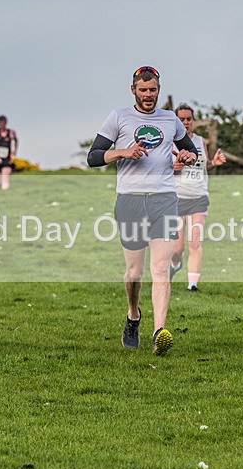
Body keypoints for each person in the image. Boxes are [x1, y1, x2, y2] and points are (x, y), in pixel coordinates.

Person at [87, 66, 198, 356]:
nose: (148, 95)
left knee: (160, 268)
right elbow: (93, 157)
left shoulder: (170, 119)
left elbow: (190, 150)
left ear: (159, 90)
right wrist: (122, 152)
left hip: (164, 199)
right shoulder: (119, 117)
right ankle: (133, 315)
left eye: (153, 90)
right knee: (134, 271)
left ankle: (159, 332)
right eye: (143, 90)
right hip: (131, 200)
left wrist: (188, 156)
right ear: (133, 90)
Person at [169, 103, 226, 292]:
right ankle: (175, 265)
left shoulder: (201, 142)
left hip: (198, 197)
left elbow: (204, 165)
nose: (185, 122)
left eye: (188, 119)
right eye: (181, 119)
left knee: (194, 242)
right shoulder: (170, 143)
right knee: (176, 249)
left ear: (193, 121)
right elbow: (161, 171)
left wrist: (213, 163)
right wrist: (173, 168)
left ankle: (192, 284)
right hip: (177, 199)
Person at [0, 114, 18, 190]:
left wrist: (14, 152)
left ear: (6, 123)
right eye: (0, 123)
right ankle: (1, 190)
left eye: (3, 123)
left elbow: (16, 140)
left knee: (5, 175)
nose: (2, 125)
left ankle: (5, 188)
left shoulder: (11, 132)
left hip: (7, 157)